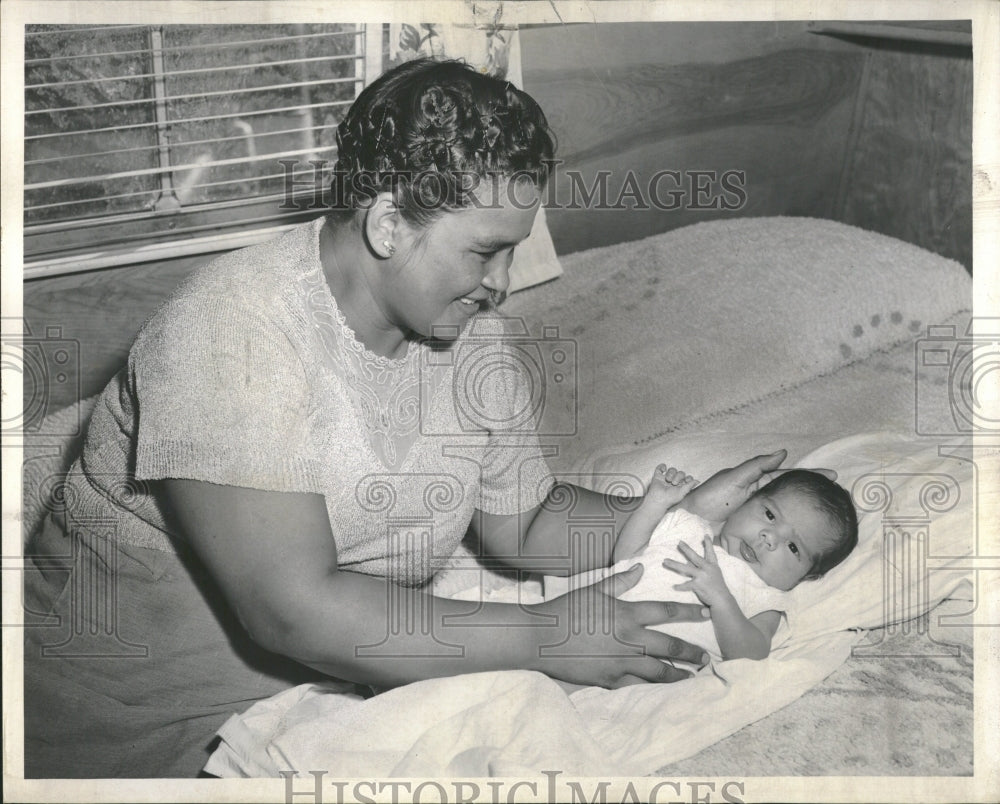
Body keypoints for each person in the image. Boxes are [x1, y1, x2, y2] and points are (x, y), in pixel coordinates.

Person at [23, 58, 820, 778]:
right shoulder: (232, 332)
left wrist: (687, 524)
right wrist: (545, 634)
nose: (504, 282)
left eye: (516, 250)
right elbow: (292, 609)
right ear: (386, 225)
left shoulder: (471, 339)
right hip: (131, 730)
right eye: (486, 252)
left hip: (325, 702)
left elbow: (524, 522)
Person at [603, 464, 858, 664]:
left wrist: (722, 599)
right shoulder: (688, 526)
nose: (769, 537)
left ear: (806, 577)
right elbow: (625, 557)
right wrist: (653, 504)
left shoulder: (766, 598)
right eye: (769, 515)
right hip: (592, 614)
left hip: (649, 663)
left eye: (793, 547)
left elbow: (751, 654)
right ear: (748, 499)